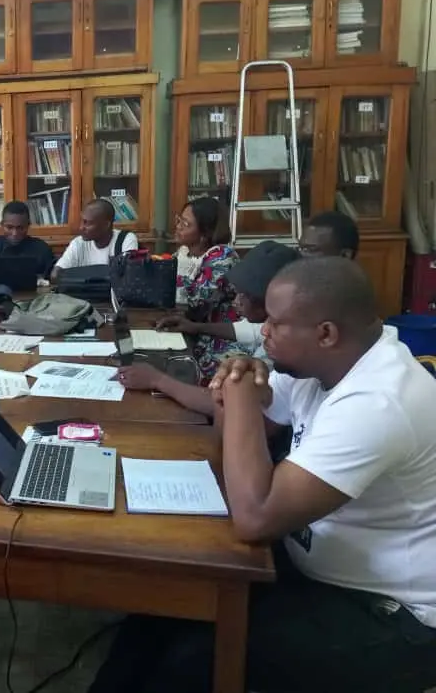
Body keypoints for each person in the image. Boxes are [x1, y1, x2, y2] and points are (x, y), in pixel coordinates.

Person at [91, 258, 436, 693]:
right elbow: (238, 436)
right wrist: (236, 387)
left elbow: (254, 517)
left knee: (193, 659)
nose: (263, 332)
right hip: (313, 564)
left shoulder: (378, 401)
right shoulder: (324, 365)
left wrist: (237, 393)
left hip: (391, 613)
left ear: (325, 333)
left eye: (274, 323)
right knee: (163, 603)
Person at [116, 240, 301, 417]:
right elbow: (248, 331)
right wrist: (195, 327)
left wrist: (156, 380)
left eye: (244, 295)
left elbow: (227, 405)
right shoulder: (274, 325)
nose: (236, 300)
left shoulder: (280, 349)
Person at [172, 197, 239, 383]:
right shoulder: (184, 253)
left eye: (185, 223)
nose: (178, 227)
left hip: (220, 338)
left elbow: (196, 301)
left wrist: (172, 274)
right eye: (179, 220)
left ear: (205, 232)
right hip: (196, 331)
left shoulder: (222, 257)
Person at [51, 199, 137, 279]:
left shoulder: (125, 240)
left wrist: (82, 275)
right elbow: (55, 275)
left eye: (87, 223)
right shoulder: (78, 243)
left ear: (106, 225)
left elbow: (130, 275)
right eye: (82, 221)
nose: (81, 228)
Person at [0, 201, 55, 278]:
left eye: (20, 228)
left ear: (28, 225)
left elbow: (51, 280)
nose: (15, 233)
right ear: (2, 225)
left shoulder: (42, 249)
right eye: (9, 227)